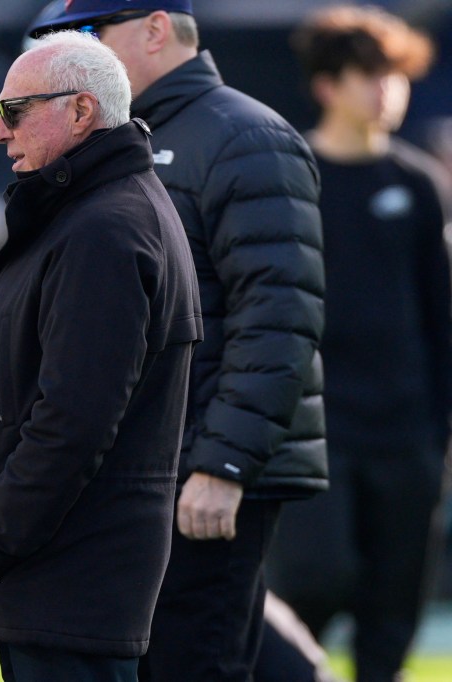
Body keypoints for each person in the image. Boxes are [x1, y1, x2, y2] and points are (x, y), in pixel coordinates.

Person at [27, 3, 327, 681]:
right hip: (141, 473)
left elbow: (279, 318)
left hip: (201, 479)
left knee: (198, 664)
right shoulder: (124, 137)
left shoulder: (244, 136)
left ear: (155, 30)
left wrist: (221, 466)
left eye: (91, 33)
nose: (80, 53)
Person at [0, 30, 202, 682]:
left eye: (14, 112)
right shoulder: (94, 212)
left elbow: (73, 421)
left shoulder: (106, 229)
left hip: (68, 583)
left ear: (81, 112)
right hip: (62, 581)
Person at [266, 8, 451, 682]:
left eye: (394, 76)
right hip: (318, 429)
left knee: (394, 607)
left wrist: (439, 431)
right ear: (327, 85)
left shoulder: (419, 183)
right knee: (315, 580)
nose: (386, 91)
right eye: (369, 75)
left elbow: (440, 315)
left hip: (407, 434)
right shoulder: (292, 175)